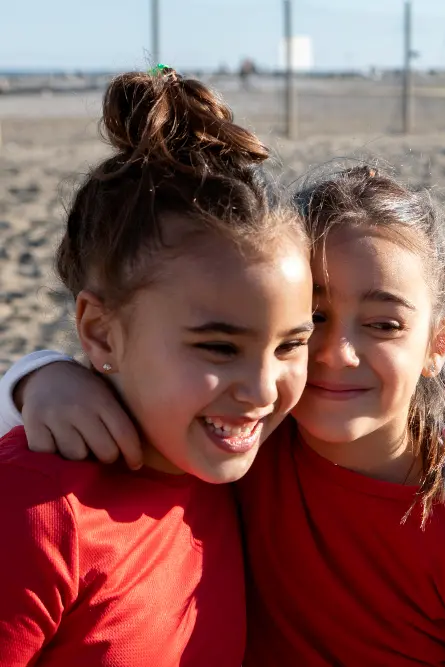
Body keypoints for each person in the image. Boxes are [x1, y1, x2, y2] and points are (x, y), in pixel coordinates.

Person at [0, 166, 445, 667]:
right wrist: (37, 378)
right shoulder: (243, 448)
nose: (337, 353)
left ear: (438, 343)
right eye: (314, 318)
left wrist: (32, 378)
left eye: (384, 325)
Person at [0, 67, 314, 665]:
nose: (260, 389)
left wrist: (30, 375)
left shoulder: (253, 470)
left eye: (290, 345)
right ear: (100, 332)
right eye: (219, 347)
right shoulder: (37, 513)